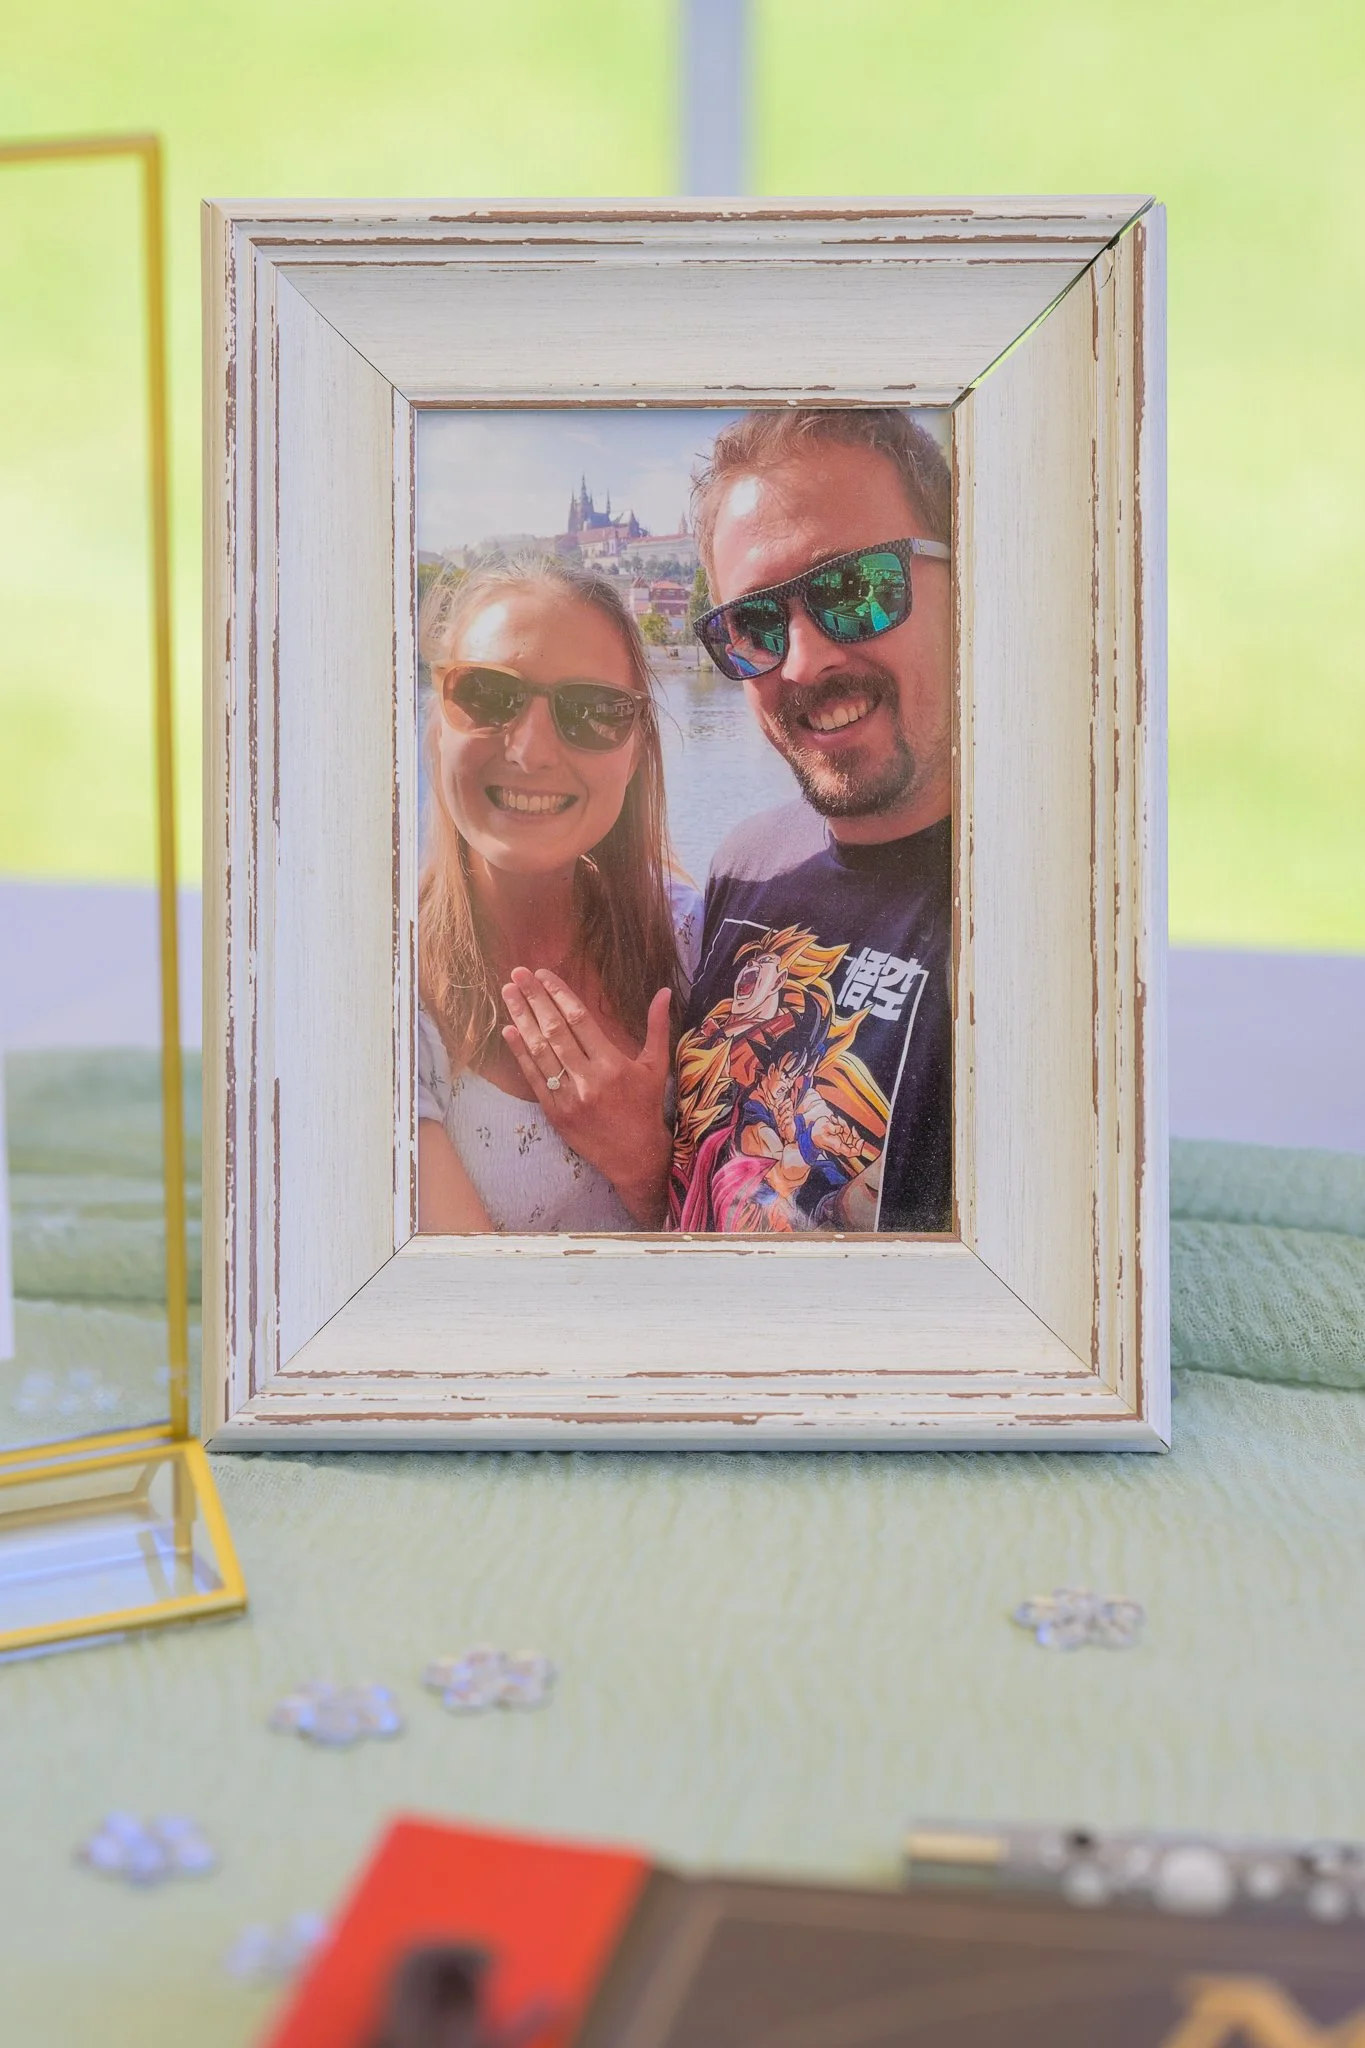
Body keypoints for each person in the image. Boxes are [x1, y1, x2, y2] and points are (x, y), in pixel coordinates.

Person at [670, 408, 952, 1233]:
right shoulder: (748, 862)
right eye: (754, 624)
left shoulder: (1066, 922)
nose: (804, 661)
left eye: (854, 590)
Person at [416, 559, 699, 1233]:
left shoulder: (696, 939)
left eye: (592, 711)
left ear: (637, 751)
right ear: (438, 725)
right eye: (486, 695)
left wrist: (646, 1164)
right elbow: (456, 1296)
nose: (532, 750)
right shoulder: (374, 992)